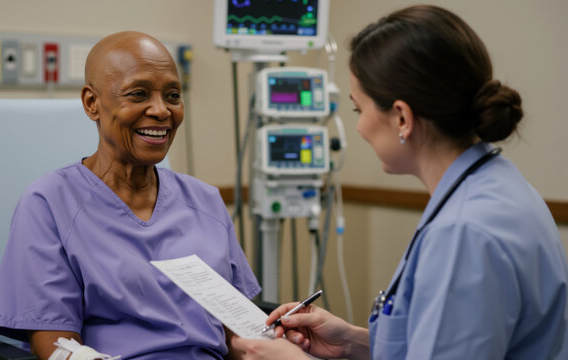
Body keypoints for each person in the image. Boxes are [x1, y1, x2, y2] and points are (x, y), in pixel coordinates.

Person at [231, 5, 568, 360]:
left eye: (359, 110)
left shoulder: (464, 233)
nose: (359, 128)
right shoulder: (499, 187)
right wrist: (354, 342)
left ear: (403, 118)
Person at [0, 31, 260, 359]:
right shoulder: (48, 204)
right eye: (139, 94)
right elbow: (56, 346)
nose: (161, 111)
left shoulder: (205, 201)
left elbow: (242, 339)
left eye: (173, 95)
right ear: (92, 103)